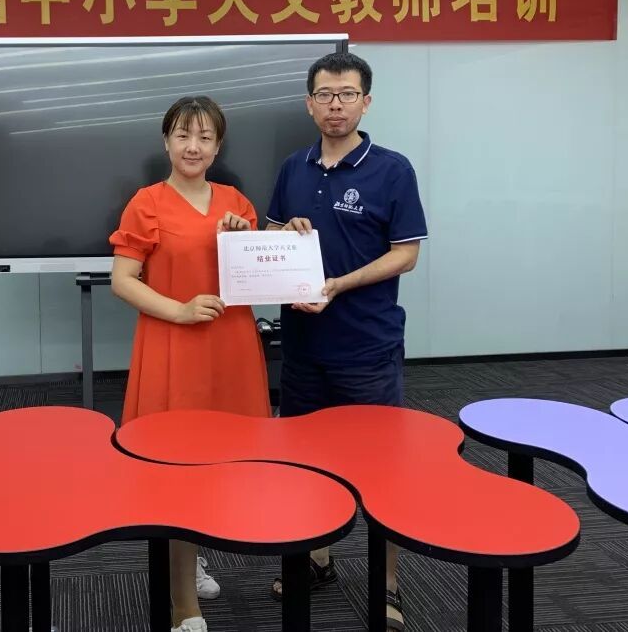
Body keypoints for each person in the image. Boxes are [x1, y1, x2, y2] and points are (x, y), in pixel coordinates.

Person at [265, 51, 427, 632]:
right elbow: (272, 237)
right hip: (303, 346)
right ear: (309, 103)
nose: (336, 105)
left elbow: (405, 254)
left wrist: (338, 284)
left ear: (366, 101)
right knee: (305, 463)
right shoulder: (293, 167)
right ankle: (317, 559)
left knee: (380, 470)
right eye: (325, 95)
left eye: (347, 94)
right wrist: (285, 232)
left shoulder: (392, 169)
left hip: (366, 348)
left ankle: (387, 583)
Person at [110, 95, 270, 632]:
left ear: (218, 146)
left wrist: (249, 241)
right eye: (183, 135)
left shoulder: (237, 203)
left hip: (230, 348)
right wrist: (179, 310)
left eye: (204, 137)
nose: (193, 146)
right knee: (176, 469)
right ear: (166, 141)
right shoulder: (146, 203)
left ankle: (192, 554)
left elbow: (255, 279)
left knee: (224, 461)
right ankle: (183, 605)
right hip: (173, 347)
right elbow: (122, 280)